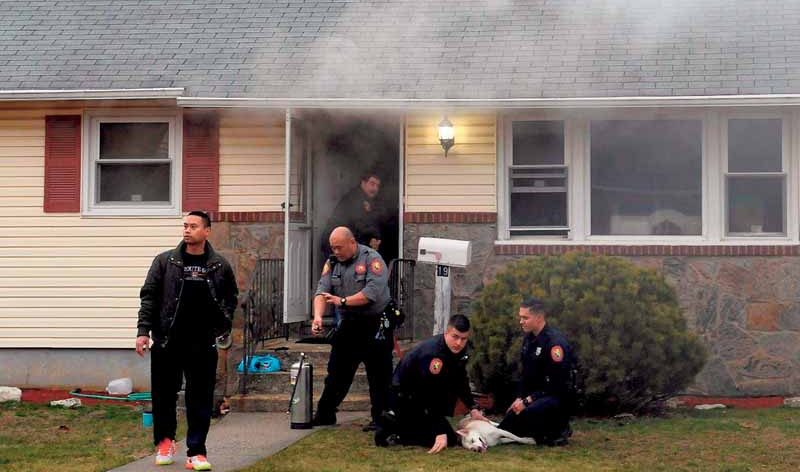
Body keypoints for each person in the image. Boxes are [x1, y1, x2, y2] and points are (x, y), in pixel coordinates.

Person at [135, 211, 238, 471]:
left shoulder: (219, 265)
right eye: (185, 225)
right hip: (168, 341)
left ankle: (197, 452)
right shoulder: (164, 261)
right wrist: (143, 331)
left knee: (200, 398)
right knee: (163, 396)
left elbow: (230, 298)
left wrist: (222, 325)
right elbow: (149, 297)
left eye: (193, 226)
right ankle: (165, 443)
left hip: (202, 343)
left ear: (207, 231)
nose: (187, 230)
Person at [311, 226, 393, 431]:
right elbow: (322, 291)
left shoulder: (372, 260)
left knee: (379, 373)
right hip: (350, 323)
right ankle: (325, 414)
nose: (336, 252)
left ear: (352, 243)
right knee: (337, 372)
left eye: (339, 247)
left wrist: (343, 301)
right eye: (333, 248)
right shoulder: (331, 263)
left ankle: (381, 418)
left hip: (375, 321)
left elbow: (370, 293)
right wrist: (318, 317)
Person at [374, 314, 488, 454]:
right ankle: (393, 427)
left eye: (463, 338)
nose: (459, 342)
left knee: (451, 439)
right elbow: (427, 393)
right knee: (442, 438)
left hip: (421, 398)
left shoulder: (458, 350)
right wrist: (438, 430)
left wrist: (473, 408)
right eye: (455, 336)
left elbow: (460, 380)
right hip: (404, 397)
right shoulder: (433, 354)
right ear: (447, 333)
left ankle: (401, 425)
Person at [498, 297, 574, 446]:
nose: (521, 321)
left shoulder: (554, 344)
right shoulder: (529, 340)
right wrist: (520, 398)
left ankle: (558, 429)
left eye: (525, 318)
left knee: (528, 415)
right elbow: (527, 376)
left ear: (539, 318)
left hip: (555, 397)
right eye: (520, 317)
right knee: (509, 421)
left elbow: (556, 385)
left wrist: (527, 401)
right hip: (535, 396)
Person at [321, 169, 386, 257]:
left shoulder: (367, 200)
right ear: (363, 183)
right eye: (372, 184)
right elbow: (361, 224)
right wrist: (373, 238)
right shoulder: (355, 199)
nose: (375, 188)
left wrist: (375, 238)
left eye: (377, 186)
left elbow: (372, 221)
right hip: (337, 242)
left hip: (343, 242)